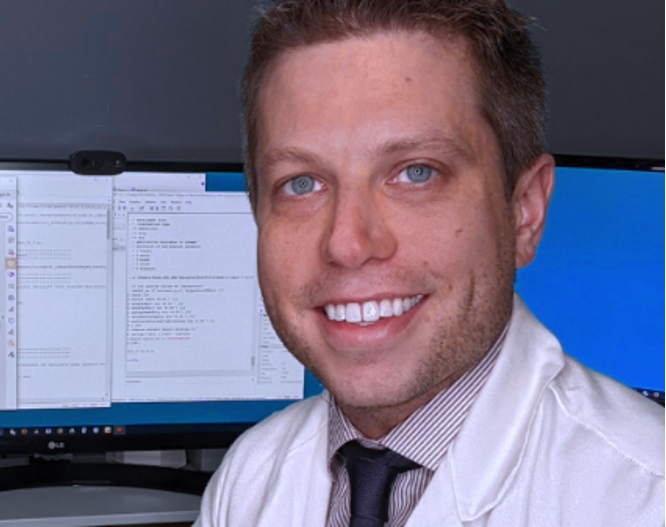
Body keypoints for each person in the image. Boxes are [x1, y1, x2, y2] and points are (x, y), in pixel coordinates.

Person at [195, 0, 665, 525]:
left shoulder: (645, 494)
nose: (347, 244)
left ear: (524, 212)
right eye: (301, 184)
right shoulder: (248, 480)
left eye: (416, 173)